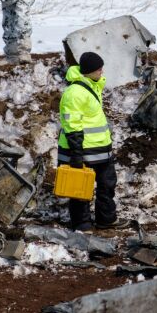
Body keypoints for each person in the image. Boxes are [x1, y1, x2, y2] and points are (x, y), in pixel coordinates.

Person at [58, 52, 129, 233]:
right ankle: (82, 225)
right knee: (81, 189)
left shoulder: (92, 86)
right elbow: (72, 124)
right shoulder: (74, 93)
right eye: (98, 69)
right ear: (88, 71)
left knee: (107, 185)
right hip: (83, 150)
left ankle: (106, 220)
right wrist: (76, 154)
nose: (102, 71)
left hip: (101, 150)